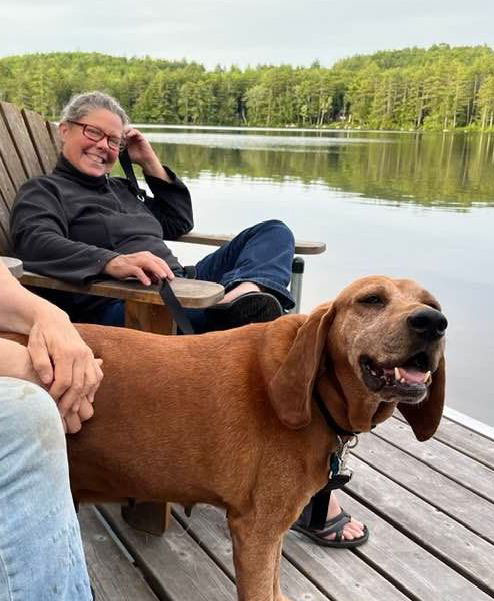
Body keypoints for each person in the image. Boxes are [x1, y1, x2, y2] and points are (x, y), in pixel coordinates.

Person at [10, 91, 367, 547]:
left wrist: (149, 162)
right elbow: (34, 242)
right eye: (92, 133)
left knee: (273, 232)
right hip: (130, 306)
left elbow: (177, 220)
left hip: (183, 287)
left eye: (114, 141)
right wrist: (109, 262)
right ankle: (310, 489)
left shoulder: (123, 189)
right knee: (288, 361)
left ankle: (248, 296)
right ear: (65, 131)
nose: (103, 146)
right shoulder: (45, 192)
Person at [0, 259, 102, 600]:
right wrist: (22, 365)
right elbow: (41, 238)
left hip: (159, 279)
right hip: (99, 288)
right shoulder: (50, 202)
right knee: (24, 415)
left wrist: (50, 317)